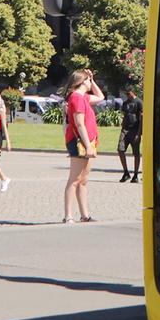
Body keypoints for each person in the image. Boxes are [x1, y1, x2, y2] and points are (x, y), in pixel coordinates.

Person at [63, 70, 100, 223]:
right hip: (80, 142)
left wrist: (93, 79)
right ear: (81, 82)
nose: (90, 82)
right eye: (88, 80)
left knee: (83, 180)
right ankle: (68, 215)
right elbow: (79, 124)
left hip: (89, 141)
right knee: (74, 179)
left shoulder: (83, 97)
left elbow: (100, 97)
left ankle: (85, 214)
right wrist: (87, 146)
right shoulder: (76, 98)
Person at [117, 87, 143, 183]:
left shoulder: (139, 102)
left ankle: (136, 174)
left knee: (136, 153)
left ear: (133, 92)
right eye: (126, 94)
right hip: (125, 130)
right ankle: (126, 172)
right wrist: (122, 127)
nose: (127, 95)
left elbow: (141, 119)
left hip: (135, 130)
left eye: (128, 93)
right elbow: (125, 115)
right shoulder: (125, 103)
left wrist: (139, 133)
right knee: (120, 149)